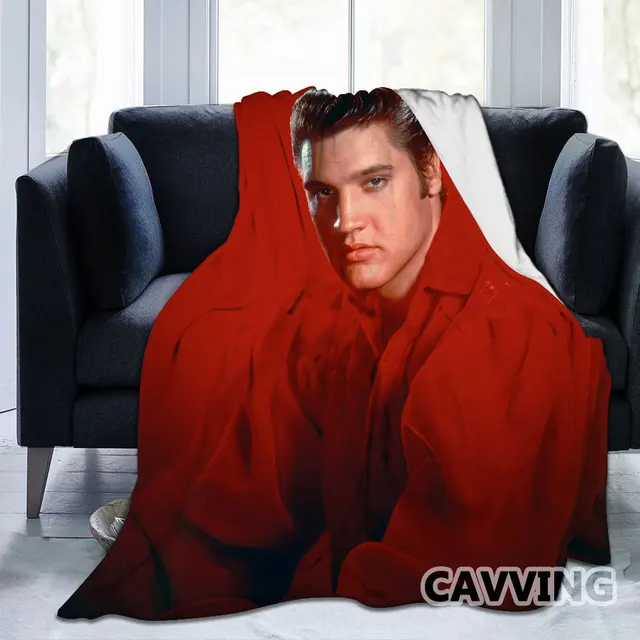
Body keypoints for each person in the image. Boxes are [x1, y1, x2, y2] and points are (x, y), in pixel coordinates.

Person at [57, 87, 611, 620]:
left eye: (374, 182)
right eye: (324, 193)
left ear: (431, 174)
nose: (347, 221)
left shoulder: (498, 337)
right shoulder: (361, 326)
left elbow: (452, 571)